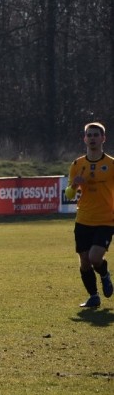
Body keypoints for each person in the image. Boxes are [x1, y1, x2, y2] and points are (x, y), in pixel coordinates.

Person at [64, 122, 114, 308]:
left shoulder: (111, 164)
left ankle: (105, 274)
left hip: (106, 219)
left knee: (94, 258)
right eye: (89, 135)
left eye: (96, 135)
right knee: (85, 262)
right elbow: (69, 194)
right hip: (83, 219)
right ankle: (93, 296)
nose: (92, 138)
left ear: (103, 138)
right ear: (85, 139)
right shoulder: (77, 164)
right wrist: (74, 186)